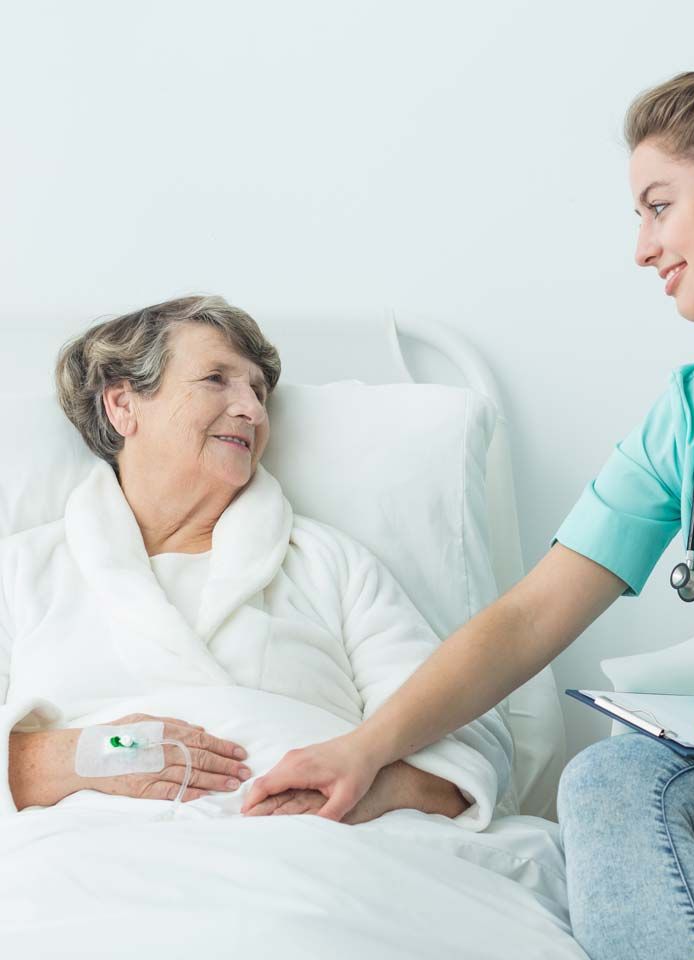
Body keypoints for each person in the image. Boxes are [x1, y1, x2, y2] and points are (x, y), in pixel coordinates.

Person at [240, 35, 694, 959]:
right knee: (602, 781)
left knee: (617, 908)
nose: (641, 248)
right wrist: (366, 747)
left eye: (659, 208)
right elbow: (533, 613)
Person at [2, 295, 511, 829]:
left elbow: (460, 750)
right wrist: (110, 752)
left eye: (259, 391)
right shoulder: (19, 573)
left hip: (317, 853)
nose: (253, 410)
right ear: (123, 405)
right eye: (217, 379)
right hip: (87, 859)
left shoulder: (332, 566)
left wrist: (350, 795)